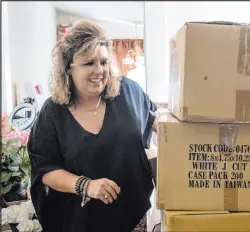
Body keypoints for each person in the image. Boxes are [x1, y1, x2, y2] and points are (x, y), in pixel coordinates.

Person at [28, 20, 158, 232]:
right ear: (68, 68)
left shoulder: (128, 91)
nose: (100, 71)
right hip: (81, 221)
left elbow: (154, 119)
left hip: (132, 215)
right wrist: (86, 185)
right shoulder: (52, 112)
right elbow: (46, 169)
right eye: (89, 63)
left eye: (104, 62)